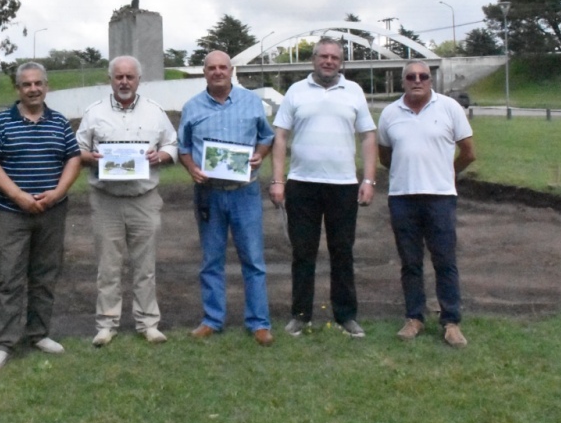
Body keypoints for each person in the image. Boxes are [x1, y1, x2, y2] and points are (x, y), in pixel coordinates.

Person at [270, 38, 377, 339]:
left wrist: (368, 180)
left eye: (334, 57)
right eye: (323, 56)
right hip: (302, 184)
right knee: (303, 253)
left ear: (341, 62)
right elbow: (280, 138)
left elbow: (368, 138)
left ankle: (346, 316)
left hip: (343, 186)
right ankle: (300, 316)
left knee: (342, 252)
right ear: (313, 59)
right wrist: (278, 181)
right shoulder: (296, 91)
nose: (328, 61)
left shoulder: (354, 91)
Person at [0, 62, 82, 368]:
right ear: (18, 89)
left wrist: (57, 192)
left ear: (46, 86)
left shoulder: (60, 123)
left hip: (51, 212)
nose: (33, 89)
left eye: (38, 83)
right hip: (13, 213)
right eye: (27, 85)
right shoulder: (1, 122)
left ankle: (38, 333)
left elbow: (73, 159)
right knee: (8, 276)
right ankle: (4, 342)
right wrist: (19, 196)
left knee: (45, 275)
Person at [76, 56, 178, 347]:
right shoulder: (94, 113)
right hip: (106, 199)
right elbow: (78, 148)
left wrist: (162, 156)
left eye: (129, 77)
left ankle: (148, 323)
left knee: (145, 266)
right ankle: (107, 325)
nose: (124, 82)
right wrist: (91, 158)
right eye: (118, 77)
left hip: (144, 199)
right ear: (110, 79)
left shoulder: (155, 112)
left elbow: (172, 142)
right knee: (108, 266)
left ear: (138, 80)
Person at [178, 50, 276, 346]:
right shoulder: (192, 107)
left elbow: (266, 137)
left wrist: (259, 155)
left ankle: (259, 322)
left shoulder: (251, 102)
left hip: (244, 192)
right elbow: (183, 147)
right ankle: (212, 319)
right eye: (212, 68)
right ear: (204, 72)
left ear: (232, 70)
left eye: (223, 67)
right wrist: (192, 168)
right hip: (209, 194)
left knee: (253, 259)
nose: (218, 72)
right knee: (211, 259)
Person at [377, 61, 476, 348]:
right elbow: (386, 157)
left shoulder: (449, 108)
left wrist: (448, 173)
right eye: (411, 76)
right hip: (402, 198)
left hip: (440, 198)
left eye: (423, 76)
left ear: (430, 80)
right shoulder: (390, 113)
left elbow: (469, 152)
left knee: (445, 260)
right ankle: (414, 317)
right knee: (410, 262)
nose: (417, 80)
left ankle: (451, 322)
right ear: (403, 81)